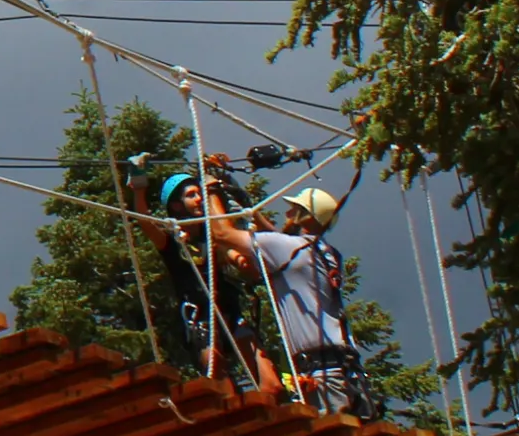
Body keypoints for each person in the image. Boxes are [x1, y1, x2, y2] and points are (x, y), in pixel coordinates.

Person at [209, 187, 374, 417]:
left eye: (292, 210)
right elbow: (283, 241)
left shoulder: (291, 250)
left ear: (304, 216)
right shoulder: (323, 252)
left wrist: (211, 191)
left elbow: (220, 234)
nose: (287, 214)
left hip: (323, 374)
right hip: (338, 371)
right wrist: (250, 210)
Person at [126, 162, 278, 389]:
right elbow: (144, 221)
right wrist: (139, 188)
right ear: (177, 206)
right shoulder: (172, 243)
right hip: (202, 319)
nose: (199, 199)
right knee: (217, 375)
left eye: (200, 193)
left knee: (272, 385)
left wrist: (241, 260)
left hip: (232, 313)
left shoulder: (215, 236)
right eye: (192, 195)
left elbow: (234, 253)